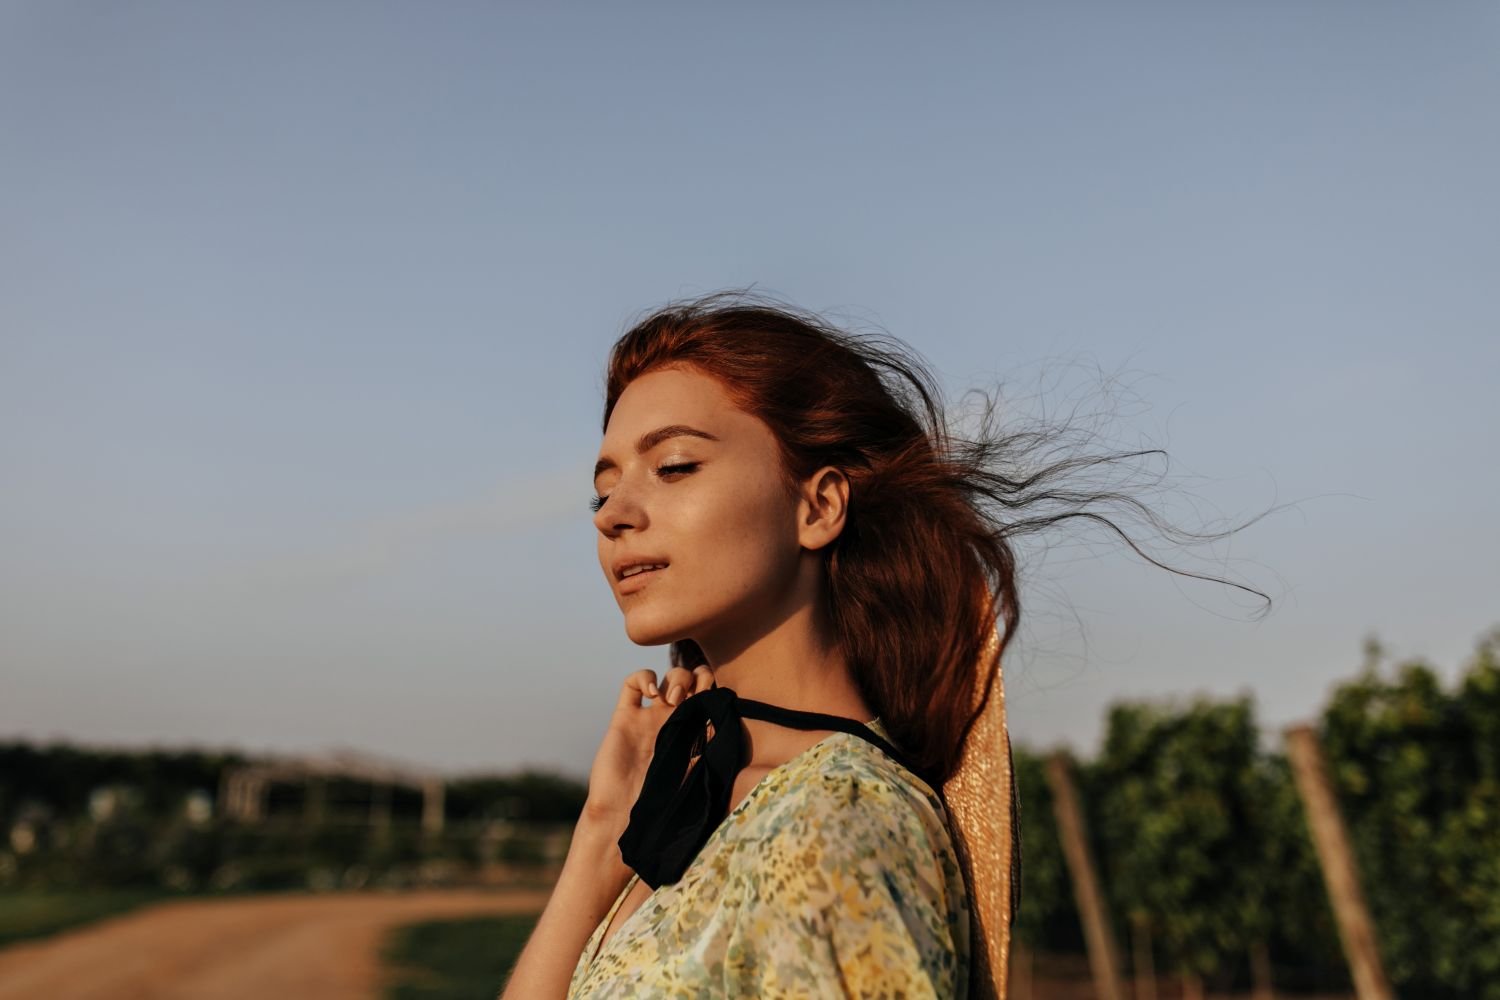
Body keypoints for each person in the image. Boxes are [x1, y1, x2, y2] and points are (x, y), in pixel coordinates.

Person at [500, 291, 1270, 1000]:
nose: (613, 514)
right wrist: (603, 833)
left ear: (820, 505)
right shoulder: (686, 808)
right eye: (605, 488)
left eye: (674, 466)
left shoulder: (837, 823)